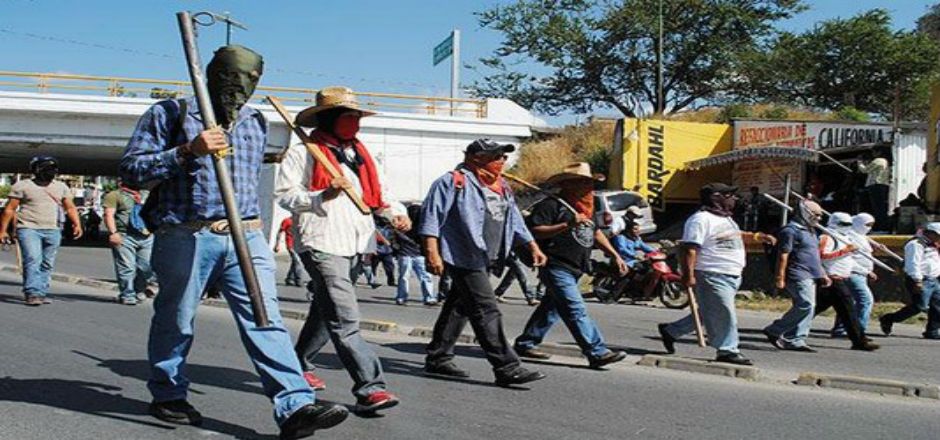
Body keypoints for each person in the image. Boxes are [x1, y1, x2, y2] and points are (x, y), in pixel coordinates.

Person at [121, 45, 347, 439]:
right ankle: (168, 392)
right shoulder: (170, 113)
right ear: (210, 74)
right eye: (230, 76)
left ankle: (294, 405)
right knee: (176, 319)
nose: (239, 86)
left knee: (266, 320)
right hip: (187, 234)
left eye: (250, 79)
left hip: (246, 234)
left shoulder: (254, 122)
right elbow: (132, 170)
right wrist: (188, 150)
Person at [274, 85, 408, 414]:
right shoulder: (304, 152)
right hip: (321, 241)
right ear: (331, 119)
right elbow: (285, 195)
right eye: (349, 117)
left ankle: (298, 364)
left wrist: (397, 213)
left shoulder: (363, 154)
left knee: (325, 310)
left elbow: (381, 195)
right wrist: (323, 195)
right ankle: (370, 388)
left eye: (357, 117)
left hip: (357, 242)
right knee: (345, 317)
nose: (355, 123)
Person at [420, 138, 548, 387]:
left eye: (503, 156)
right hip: (462, 255)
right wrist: (432, 252)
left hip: (488, 256)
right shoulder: (452, 182)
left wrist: (532, 245)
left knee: (459, 306)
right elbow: (431, 218)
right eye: (496, 156)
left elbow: (515, 221)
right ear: (476, 158)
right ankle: (506, 366)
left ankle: (438, 357)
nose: (502, 160)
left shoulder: (502, 186)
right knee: (486, 308)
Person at [513, 162, 629, 368]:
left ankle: (526, 342)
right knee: (575, 308)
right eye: (584, 183)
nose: (589, 187)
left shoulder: (585, 206)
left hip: (576, 267)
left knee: (552, 308)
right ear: (569, 184)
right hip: (556, 265)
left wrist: (614, 254)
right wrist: (567, 224)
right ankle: (596, 351)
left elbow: (595, 232)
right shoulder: (551, 205)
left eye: (590, 183)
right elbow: (534, 231)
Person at [657, 183, 775, 365]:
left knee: (711, 311)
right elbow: (690, 249)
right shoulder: (700, 220)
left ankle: (672, 331)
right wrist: (688, 275)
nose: (734, 199)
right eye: (730, 195)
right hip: (711, 272)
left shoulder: (726, 219)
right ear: (717, 197)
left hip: (732, 274)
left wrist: (758, 237)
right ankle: (728, 350)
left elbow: (735, 235)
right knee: (724, 312)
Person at [0, 156, 82, 306]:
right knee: (33, 259)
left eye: (53, 169)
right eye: (46, 168)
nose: (51, 172)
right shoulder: (22, 186)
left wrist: (77, 224)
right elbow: (10, 209)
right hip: (28, 228)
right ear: (36, 170)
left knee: (47, 263)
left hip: (53, 229)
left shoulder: (61, 187)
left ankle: (41, 291)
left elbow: (69, 207)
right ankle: (32, 292)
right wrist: (3, 231)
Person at [763, 200, 830, 352]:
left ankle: (796, 339)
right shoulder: (790, 231)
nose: (819, 218)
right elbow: (783, 255)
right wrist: (779, 278)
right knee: (806, 304)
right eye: (816, 214)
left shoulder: (811, 231)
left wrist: (822, 274)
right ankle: (775, 329)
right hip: (797, 274)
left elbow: (814, 256)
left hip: (811, 274)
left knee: (809, 307)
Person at [811, 212, 878, 351]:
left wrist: (866, 271)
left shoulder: (845, 237)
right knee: (849, 309)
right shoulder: (828, 237)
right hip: (831, 278)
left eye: (849, 224)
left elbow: (848, 261)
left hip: (842, 277)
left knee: (813, 308)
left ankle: (780, 328)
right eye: (844, 224)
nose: (847, 227)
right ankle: (859, 340)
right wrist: (846, 250)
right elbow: (822, 256)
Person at [879, 222, 940, 339]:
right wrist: (917, 280)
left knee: (938, 306)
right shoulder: (916, 244)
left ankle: (932, 331)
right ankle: (888, 319)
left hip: (934, 279)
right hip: (921, 279)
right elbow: (913, 264)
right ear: (930, 233)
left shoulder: (933, 245)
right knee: (919, 307)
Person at [102, 180, 158, 305]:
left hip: (146, 236)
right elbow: (108, 215)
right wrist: (113, 233)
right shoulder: (114, 195)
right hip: (124, 235)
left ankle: (139, 289)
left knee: (146, 267)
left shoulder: (147, 195)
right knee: (126, 267)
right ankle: (127, 294)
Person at [830, 213, 877, 336]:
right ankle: (858, 331)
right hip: (853, 273)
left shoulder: (862, 237)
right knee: (865, 300)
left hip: (861, 273)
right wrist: (867, 271)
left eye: (871, 225)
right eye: (867, 225)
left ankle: (841, 329)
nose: (869, 227)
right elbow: (850, 258)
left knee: (847, 302)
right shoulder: (849, 237)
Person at [392, 204, 437, 306]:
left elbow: (394, 239)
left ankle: (402, 297)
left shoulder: (407, 225)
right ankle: (428, 298)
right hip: (412, 254)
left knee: (406, 277)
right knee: (424, 277)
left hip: (410, 254)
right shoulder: (418, 226)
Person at [857, 149, 891, 231]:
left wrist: (860, 162)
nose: (873, 153)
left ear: (879, 152)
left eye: (874, 151)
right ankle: (882, 226)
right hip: (881, 185)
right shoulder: (885, 161)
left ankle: (881, 227)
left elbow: (865, 170)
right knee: (880, 207)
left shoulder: (879, 160)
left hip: (876, 185)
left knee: (878, 208)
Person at [274, 216, 304, 287]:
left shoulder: (301, 221)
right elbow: (280, 232)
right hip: (290, 245)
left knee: (295, 262)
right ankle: (298, 280)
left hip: (299, 245)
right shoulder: (287, 221)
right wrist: (277, 245)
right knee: (298, 262)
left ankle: (289, 279)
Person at [373, 220, 397, 287]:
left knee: (390, 267)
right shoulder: (375, 228)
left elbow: (393, 238)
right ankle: (372, 280)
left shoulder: (390, 228)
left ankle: (391, 281)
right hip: (377, 250)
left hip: (387, 251)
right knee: (373, 266)